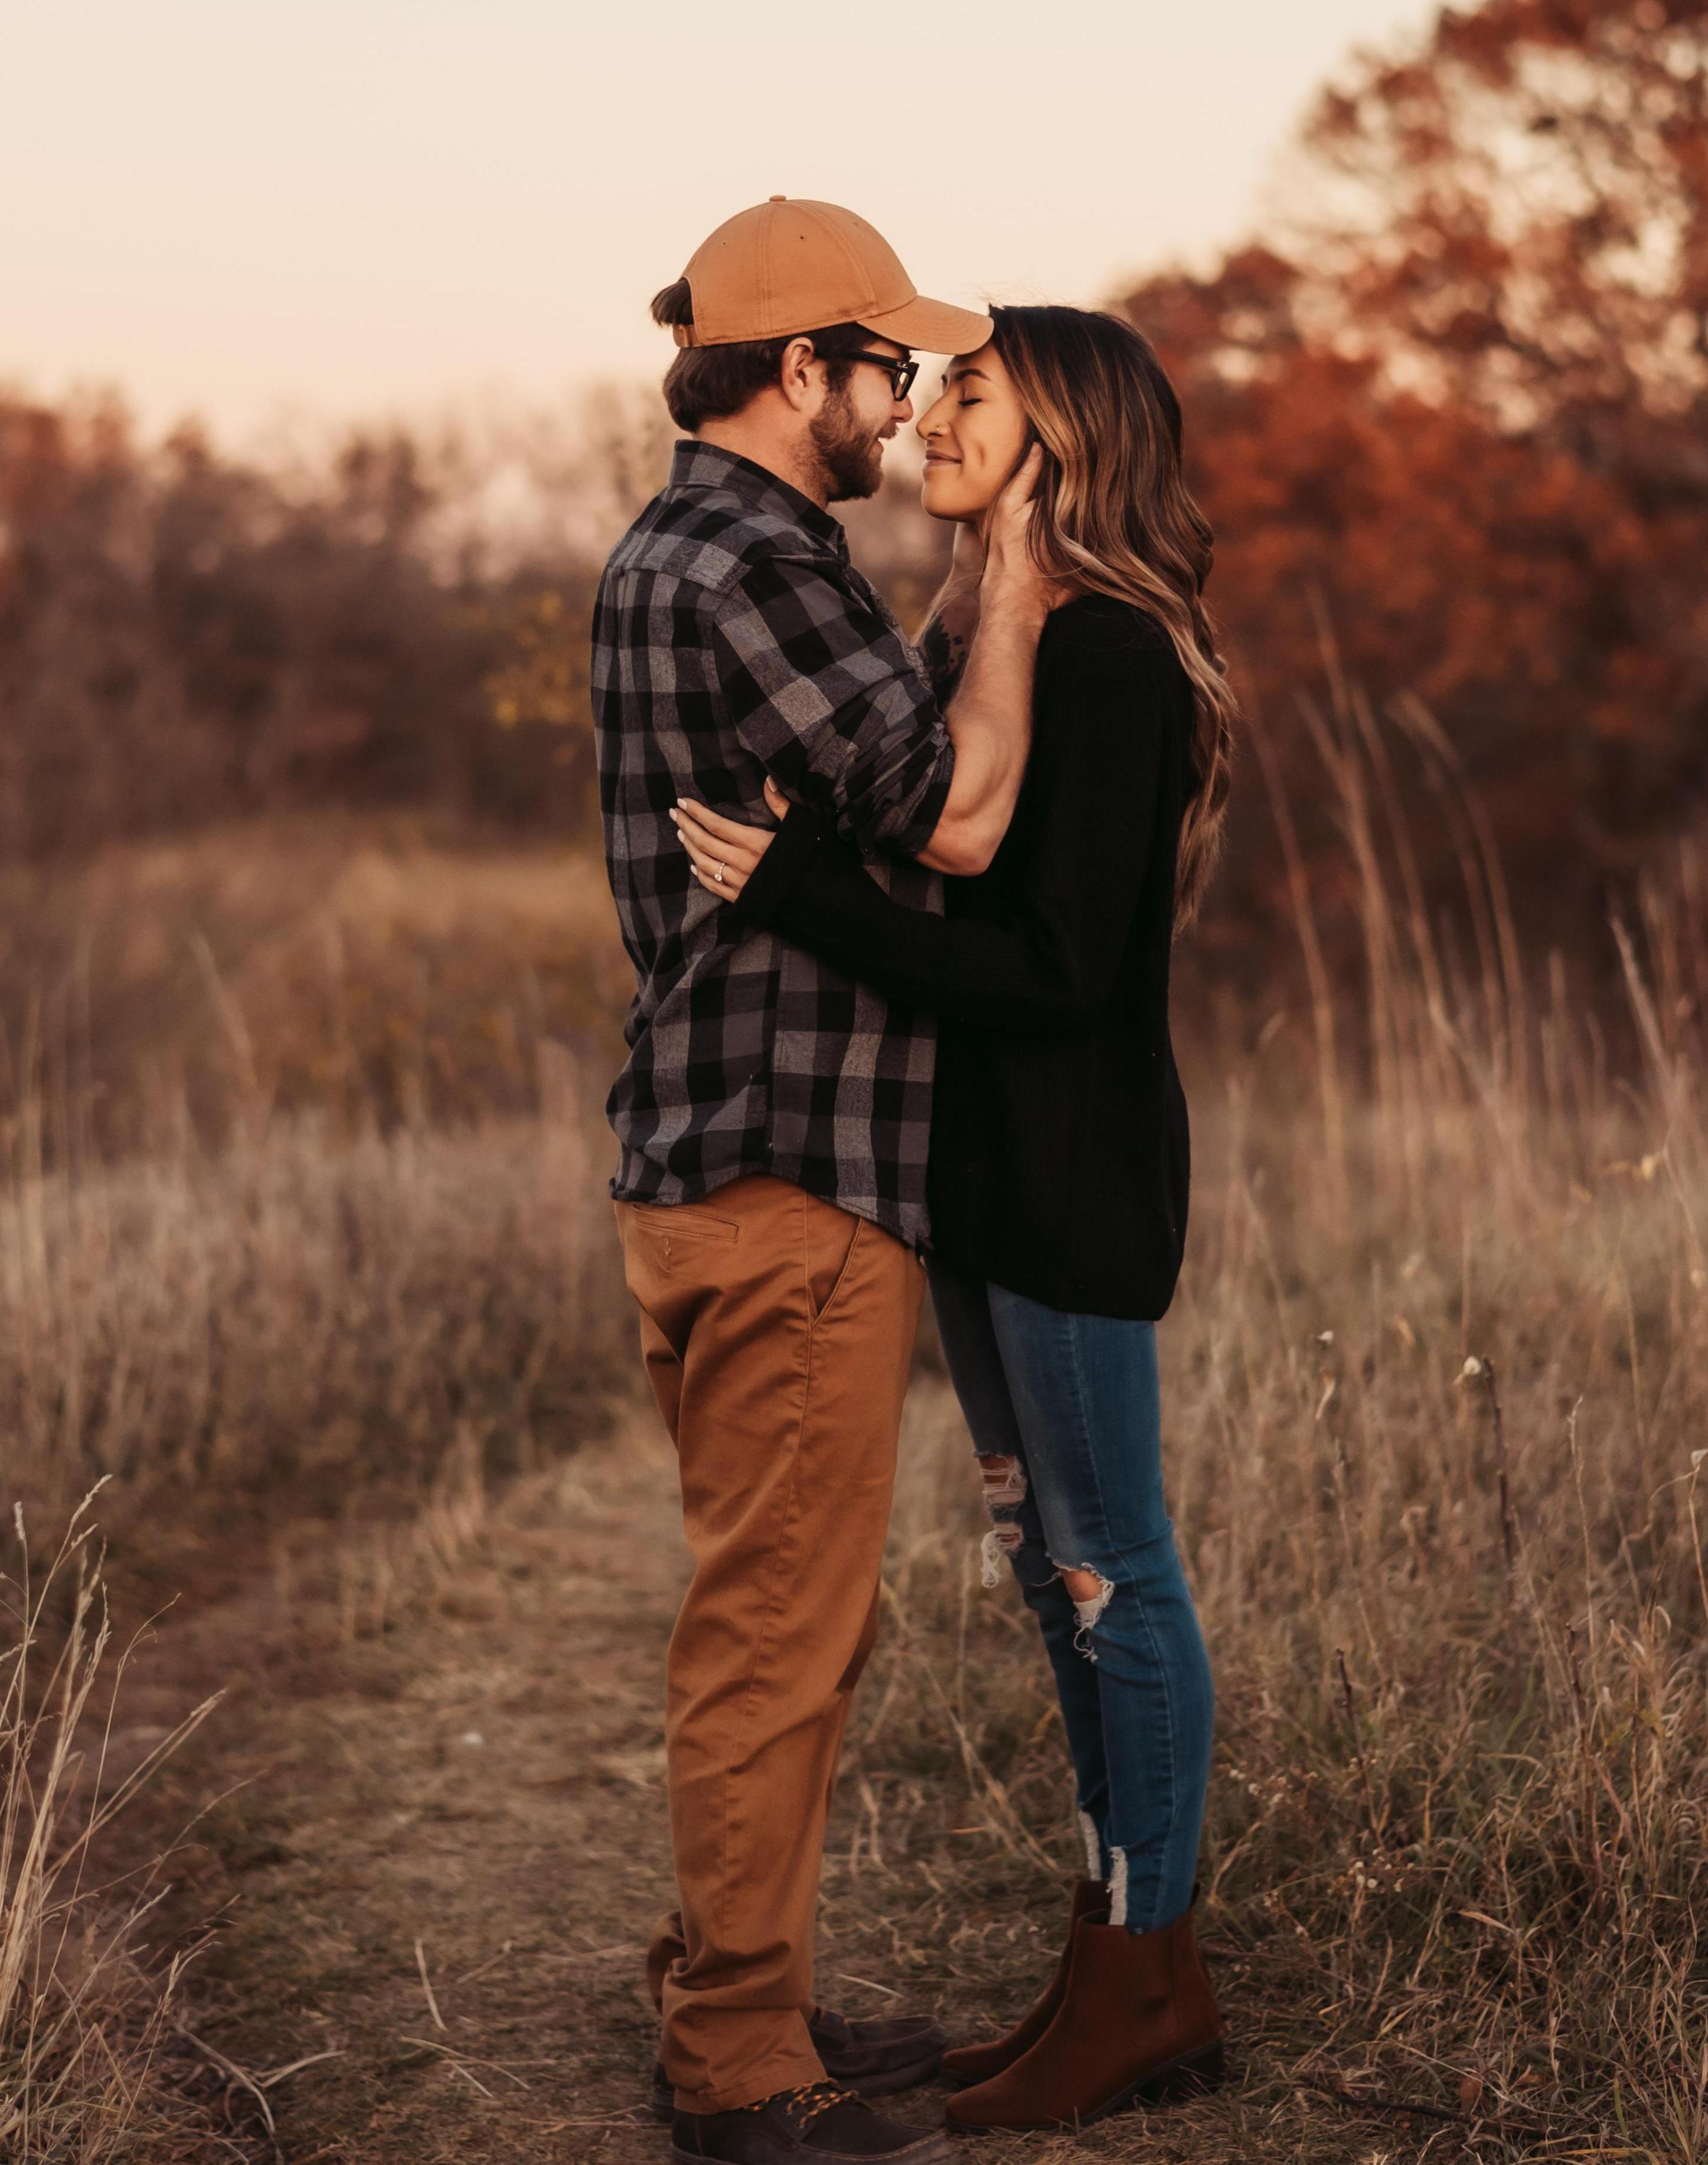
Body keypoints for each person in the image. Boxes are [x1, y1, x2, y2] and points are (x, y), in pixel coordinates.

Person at [671, 304, 1235, 2133]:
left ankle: (1145, 1977)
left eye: (972, 395)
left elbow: (1053, 971)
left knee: (1111, 1572)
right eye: (928, 392)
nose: (927, 417)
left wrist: (801, 888)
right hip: (981, 1183)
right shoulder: (994, 640)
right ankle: (1112, 1963)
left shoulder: (1113, 659)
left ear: (1063, 438)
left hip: (1068, 1178)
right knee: (1049, 1575)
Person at [592, 198, 1054, 2165]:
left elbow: (872, 756)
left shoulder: (673, 549)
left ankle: (748, 1984)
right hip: (793, 1164)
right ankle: (734, 2062)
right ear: (802, 371)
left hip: (709, 1150)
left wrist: (934, 625)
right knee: (776, 1637)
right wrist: (1012, 575)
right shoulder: (762, 565)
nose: (906, 399)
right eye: (887, 365)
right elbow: (950, 812)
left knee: (771, 1616)